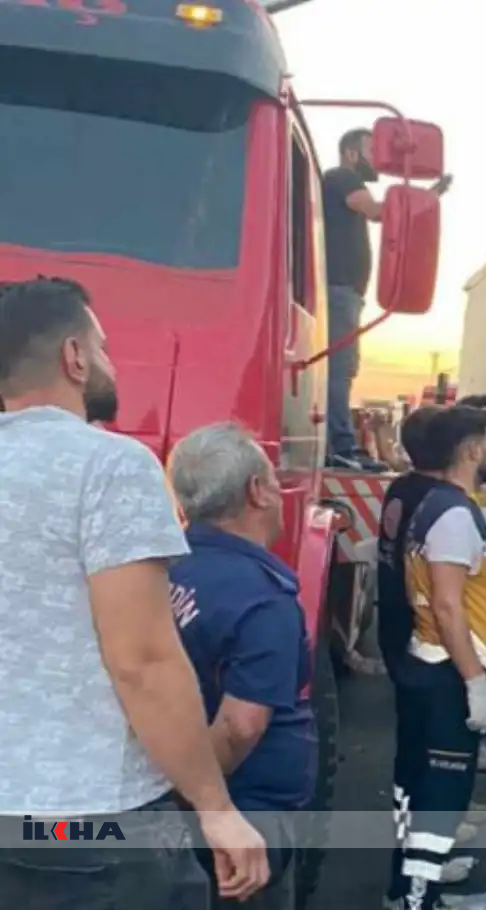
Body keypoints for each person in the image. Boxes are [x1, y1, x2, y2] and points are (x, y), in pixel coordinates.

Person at [0, 277, 270, 907]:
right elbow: (142, 660)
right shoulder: (110, 466)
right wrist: (216, 808)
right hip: (83, 823)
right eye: (103, 347)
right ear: (74, 357)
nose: (110, 363)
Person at [166, 424, 318, 910]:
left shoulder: (166, 567)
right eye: (273, 480)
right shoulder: (261, 598)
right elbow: (240, 726)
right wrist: (197, 802)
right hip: (241, 815)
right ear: (257, 490)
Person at [380, 405, 486, 910]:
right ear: (472, 449)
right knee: (440, 797)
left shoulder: (443, 504)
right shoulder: (453, 514)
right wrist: (475, 682)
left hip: (433, 667)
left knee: (418, 787)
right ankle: (419, 898)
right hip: (447, 674)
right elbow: (447, 604)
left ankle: (413, 886)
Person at [322, 127, 451, 472]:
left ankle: (338, 444)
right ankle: (341, 447)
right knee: (339, 370)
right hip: (338, 291)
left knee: (341, 369)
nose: (377, 157)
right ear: (350, 153)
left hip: (342, 292)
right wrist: (423, 197)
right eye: (370, 149)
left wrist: (425, 198)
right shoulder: (343, 177)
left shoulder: (339, 180)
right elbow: (378, 212)